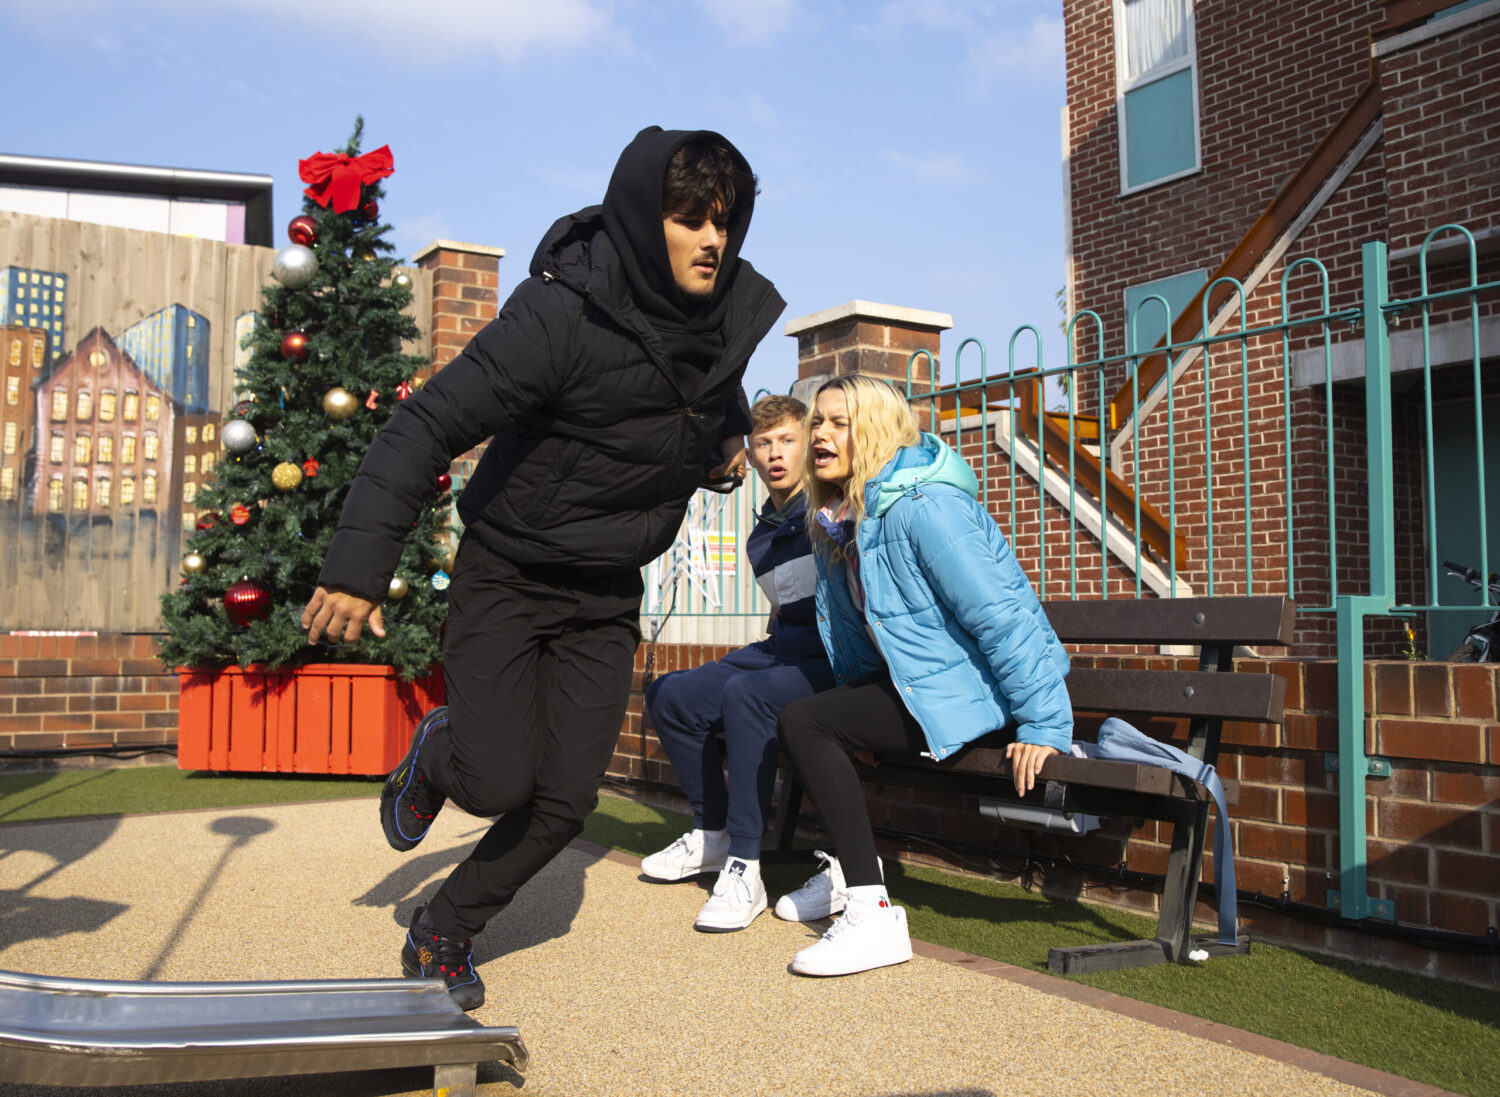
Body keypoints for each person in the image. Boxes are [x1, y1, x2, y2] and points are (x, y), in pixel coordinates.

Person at [300, 127, 785, 1011]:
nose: (712, 239)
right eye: (690, 219)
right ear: (644, 218)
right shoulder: (558, 316)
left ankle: (444, 929)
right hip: (511, 573)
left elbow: (709, 389)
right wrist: (358, 567)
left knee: (563, 802)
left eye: (724, 221)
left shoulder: (719, 320)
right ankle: (438, 750)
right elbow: (426, 424)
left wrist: (721, 440)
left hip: (603, 593)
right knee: (494, 781)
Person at [772, 374, 1072, 977]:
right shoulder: (843, 520)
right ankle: (853, 877)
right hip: (926, 691)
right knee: (810, 717)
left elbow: (1001, 615)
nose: (820, 434)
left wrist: (1045, 722)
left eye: (839, 423)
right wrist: (859, 722)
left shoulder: (925, 508)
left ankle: (871, 912)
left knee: (805, 721)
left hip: (979, 698)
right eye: (817, 421)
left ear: (876, 431)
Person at [640, 394, 835, 931]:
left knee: (746, 695)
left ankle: (745, 865)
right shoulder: (760, 536)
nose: (775, 453)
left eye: (788, 440)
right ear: (748, 452)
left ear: (807, 444)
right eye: (763, 443)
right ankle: (714, 833)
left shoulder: (831, 514)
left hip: (832, 660)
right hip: (781, 650)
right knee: (669, 694)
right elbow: (785, 612)